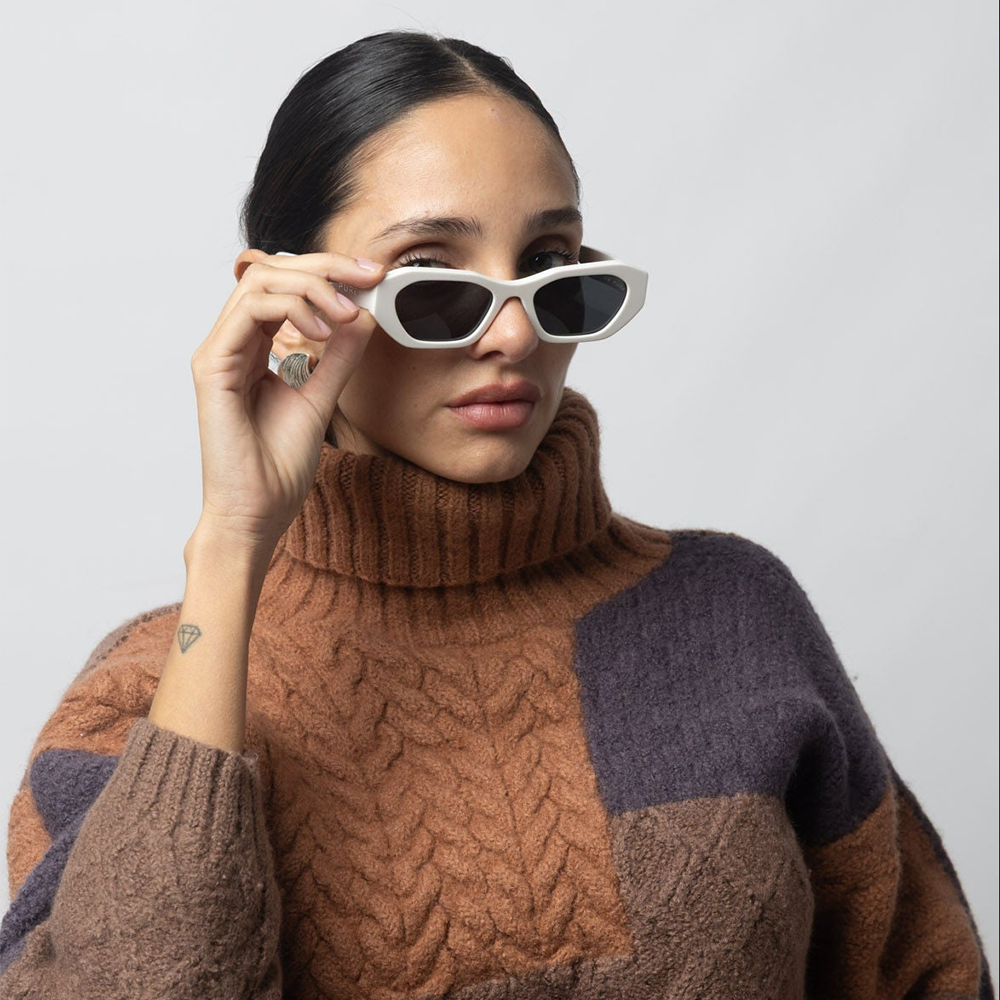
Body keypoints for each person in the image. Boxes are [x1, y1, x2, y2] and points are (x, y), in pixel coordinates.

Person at [0, 28, 992, 1000]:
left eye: (552, 267)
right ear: (288, 307)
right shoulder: (142, 699)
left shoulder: (735, 615)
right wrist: (229, 546)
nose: (515, 334)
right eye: (434, 283)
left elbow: (928, 975)